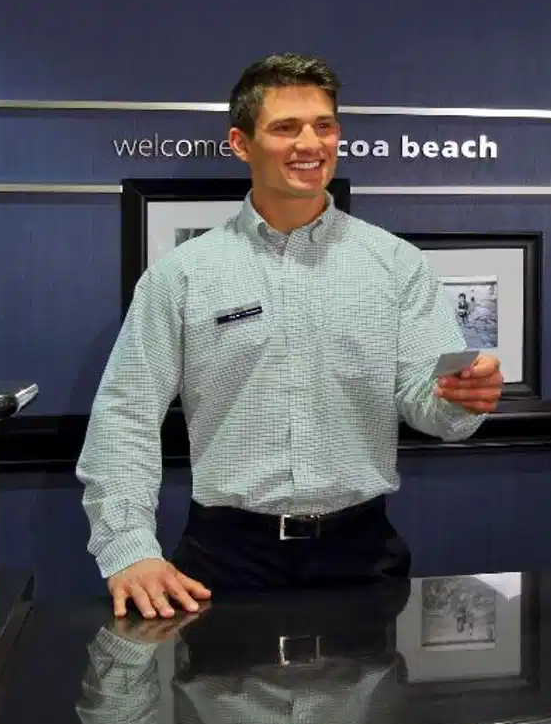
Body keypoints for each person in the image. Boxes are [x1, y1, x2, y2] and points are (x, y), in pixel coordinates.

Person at [75, 52, 504, 620]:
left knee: (368, 713)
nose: (311, 143)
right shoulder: (182, 276)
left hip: (362, 558)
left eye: (324, 126)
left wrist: (461, 399)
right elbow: (125, 414)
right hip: (224, 563)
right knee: (218, 713)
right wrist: (127, 549)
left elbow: (430, 408)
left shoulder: (396, 265)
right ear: (241, 143)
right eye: (286, 127)